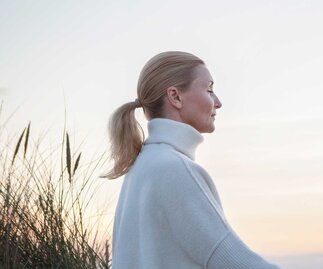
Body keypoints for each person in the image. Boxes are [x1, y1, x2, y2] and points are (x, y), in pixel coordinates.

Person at [105, 51, 281, 269]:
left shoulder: (143, 164)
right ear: (175, 97)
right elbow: (234, 261)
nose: (218, 102)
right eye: (209, 90)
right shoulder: (172, 168)